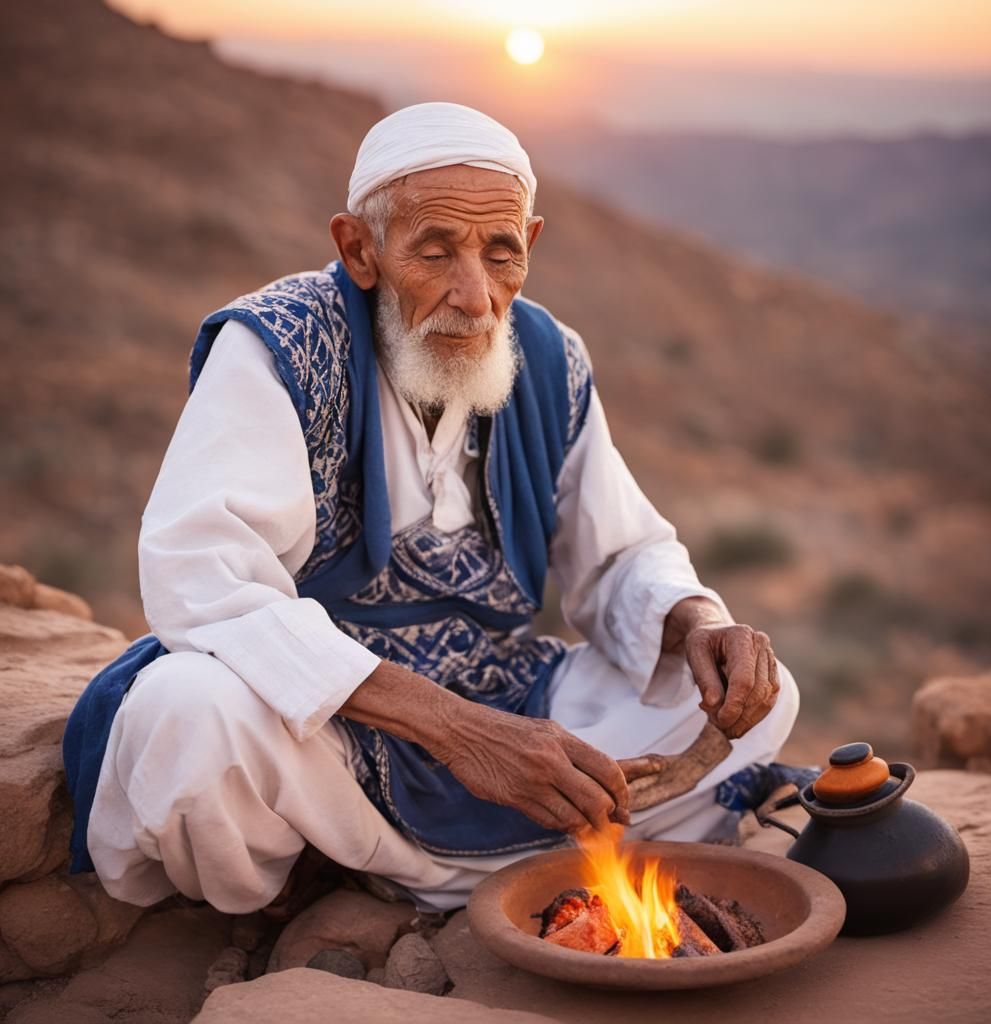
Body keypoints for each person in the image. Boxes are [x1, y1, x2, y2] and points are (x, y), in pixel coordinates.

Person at [63, 102, 799, 914]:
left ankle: (382, 871)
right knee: (186, 718)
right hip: (325, 724)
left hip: (501, 696)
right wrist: (459, 734)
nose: (475, 296)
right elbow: (203, 577)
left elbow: (620, 556)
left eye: (500, 253)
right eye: (436, 251)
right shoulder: (278, 346)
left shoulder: (549, 359)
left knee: (757, 698)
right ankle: (389, 867)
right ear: (359, 249)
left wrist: (697, 623)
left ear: (532, 245)